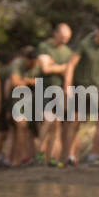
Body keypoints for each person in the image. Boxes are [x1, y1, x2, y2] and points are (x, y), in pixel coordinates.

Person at [68, 22, 99, 166]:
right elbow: (71, 65)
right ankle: (71, 156)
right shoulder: (84, 45)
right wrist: (67, 86)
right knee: (75, 122)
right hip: (81, 87)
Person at [36, 24, 75, 166]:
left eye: (68, 38)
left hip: (59, 89)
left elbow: (68, 70)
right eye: (63, 37)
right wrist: (63, 67)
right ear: (56, 34)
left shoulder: (67, 51)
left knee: (57, 124)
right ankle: (40, 153)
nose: (65, 40)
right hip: (45, 88)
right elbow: (45, 69)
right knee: (47, 120)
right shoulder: (44, 47)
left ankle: (52, 157)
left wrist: (57, 67)